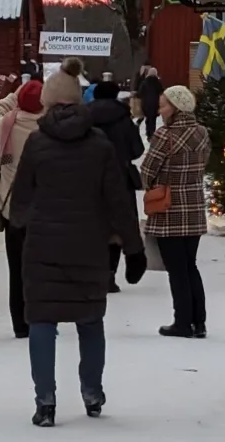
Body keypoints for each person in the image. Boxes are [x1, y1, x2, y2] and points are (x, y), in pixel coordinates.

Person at [12, 62, 146, 427]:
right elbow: (118, 200)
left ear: (48, 103)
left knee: (41, 321)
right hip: (89, 244)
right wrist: (133, 249)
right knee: (90, 320)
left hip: (43, 246)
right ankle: (92, 391)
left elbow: (21, 196)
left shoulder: (37, 143)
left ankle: (46, 400)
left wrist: (17, 222)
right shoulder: (100, 144)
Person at [140, 85, 211, 339]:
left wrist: (154, 185)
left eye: (163, 105)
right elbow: (204, 164)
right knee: (190, 265)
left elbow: (147, 170)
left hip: (168, 207)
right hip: (193, 206)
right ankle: (199, 322)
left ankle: (182, 322)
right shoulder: (202, 132)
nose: (160, 111)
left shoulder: (165, 135)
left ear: (176, 107)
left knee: (176, 269)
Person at [0, 76, 46, 338]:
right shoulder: (49, 129)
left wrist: (13, 96)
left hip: (13, 210)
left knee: (17, 269)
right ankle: (40, 318)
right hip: (44, 211)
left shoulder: (7, 126)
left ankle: (20, 323)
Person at [86, 79, 144, 293]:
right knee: (118, 227)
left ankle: (94, 273)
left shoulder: (85, 117)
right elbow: (137, 150)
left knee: (93, 226)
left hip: (89, 179)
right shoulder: (124, 119)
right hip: (120, 178)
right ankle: (110, 274)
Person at [136, 65, 164, 141]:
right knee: (153, 119)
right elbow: (161, 92)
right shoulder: (158, 82)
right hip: (155, 104)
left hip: (146, 104)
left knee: (148, 118)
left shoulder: (145, 82)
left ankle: (148, 133)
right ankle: (152, 133)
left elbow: (140, 93)